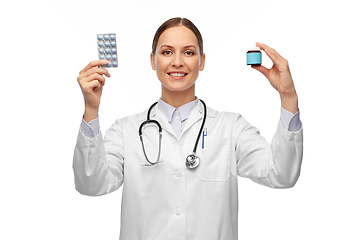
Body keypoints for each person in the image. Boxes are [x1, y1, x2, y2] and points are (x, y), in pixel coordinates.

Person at [73, 17, 303, 240]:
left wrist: (288, 96)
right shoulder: (126, 130)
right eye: (167, 52)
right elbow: (91, 184)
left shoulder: (231, 128)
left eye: (189, 52)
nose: (177, 62)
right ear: (153, 60)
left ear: (202, 61)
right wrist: (91, 109)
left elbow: (281, 174)